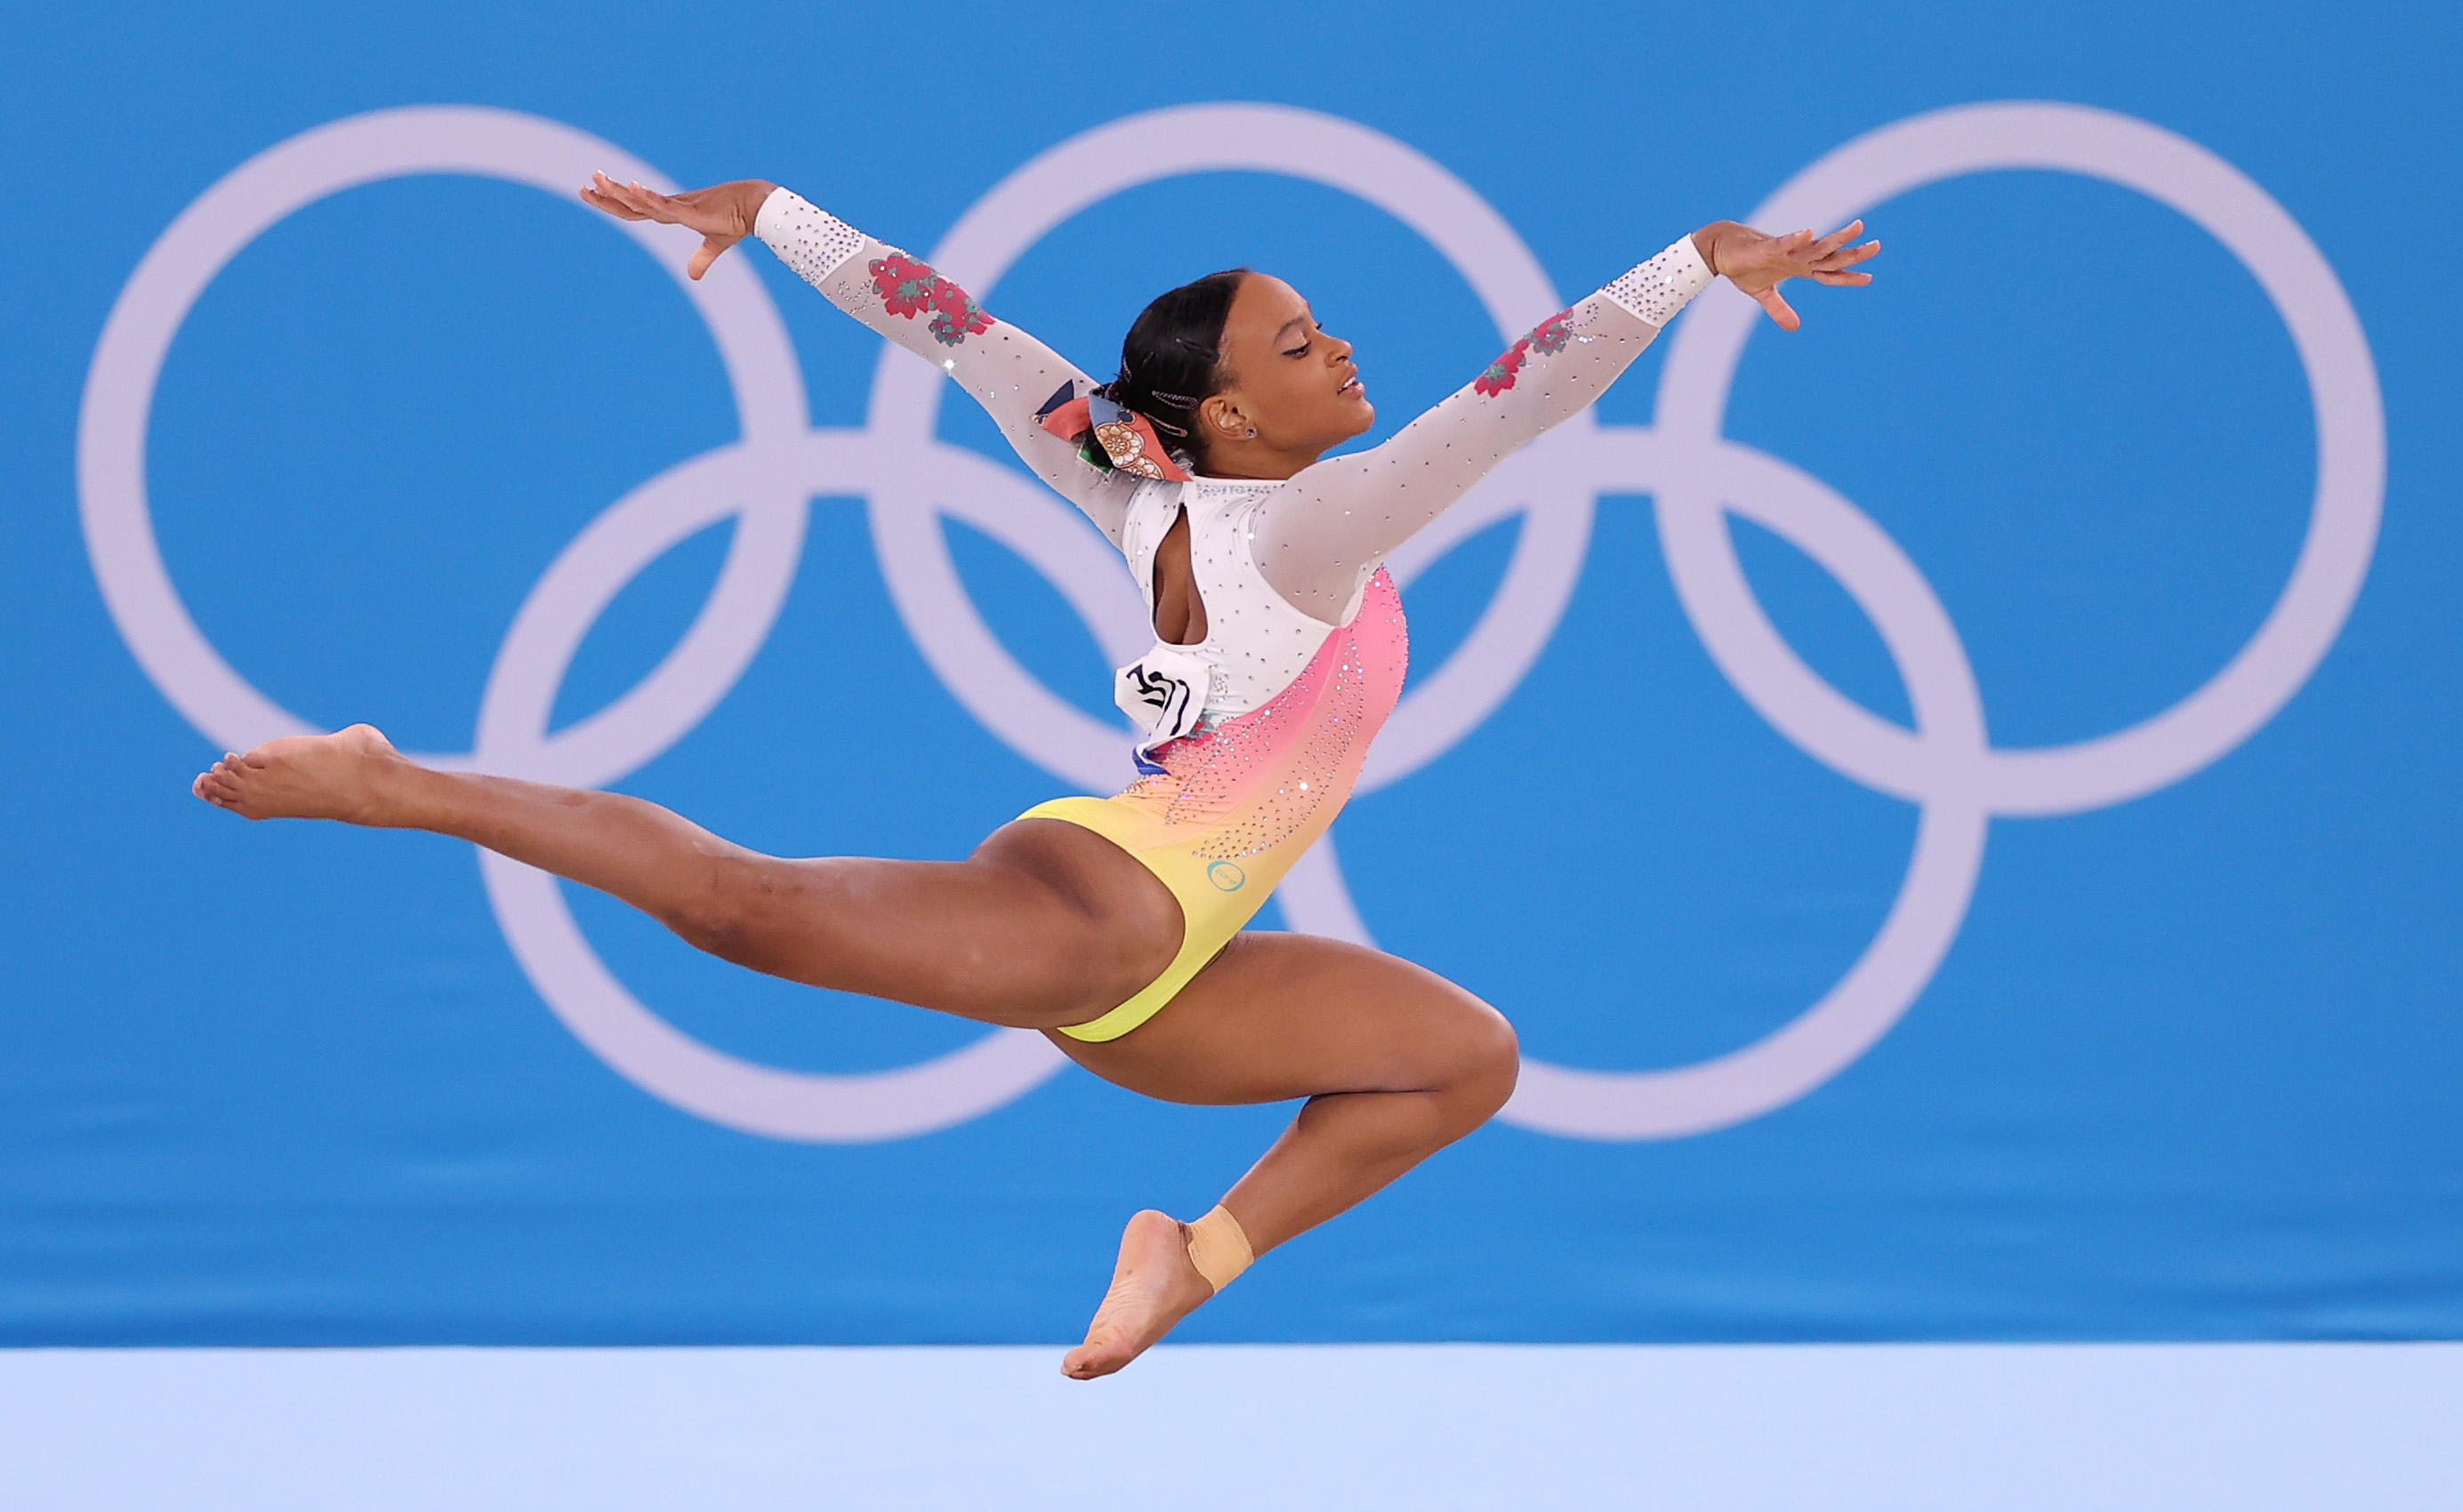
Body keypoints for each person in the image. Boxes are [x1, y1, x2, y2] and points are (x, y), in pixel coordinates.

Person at [191, 165, 1876, 1377]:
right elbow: (1518, 399)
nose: (1339, 357)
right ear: (1220, 411)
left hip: (1178, 966)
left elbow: (952, 328)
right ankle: (394, 781)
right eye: (1296, 346)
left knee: (1461, 1060)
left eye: (1322, 330)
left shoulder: (1139, 485)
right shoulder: (1304, 525)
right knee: (740, 909)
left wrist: (772, 215)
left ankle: (1184, 1258)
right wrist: (1687, 267)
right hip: (1106, 906)